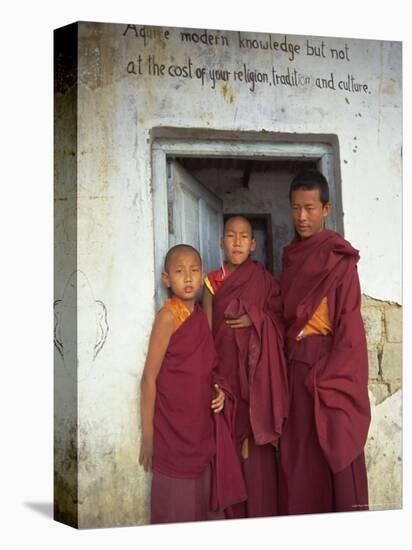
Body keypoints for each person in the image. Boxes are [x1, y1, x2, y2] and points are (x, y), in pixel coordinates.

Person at [278, 169, 371, 515]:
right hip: (294, 367)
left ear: (327, 208)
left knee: (335, 443)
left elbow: (348, 325)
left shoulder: (340, 260)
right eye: (296, 208)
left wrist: (330, 375)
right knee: (299, 456)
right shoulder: (291, 258)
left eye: (310, 208)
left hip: (328, 367)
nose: (302, 217)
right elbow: (283, 312)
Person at [139, 244, 246, 524]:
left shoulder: (200, 316)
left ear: (202, 277)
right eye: (179, 271)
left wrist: (220, 390)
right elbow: (149, 376)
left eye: (194, 271)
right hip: (173, 430)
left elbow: (208, 367)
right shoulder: (167, 318)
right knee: (177, 506)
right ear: (166, 279)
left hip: (201, 426)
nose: (187, 278)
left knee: (202, 502)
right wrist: (148, 436)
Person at [203, 216, 289, 519]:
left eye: (243, 237)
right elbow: (208, 333)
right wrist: (213, 378)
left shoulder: (263, 280)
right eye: (230, 235)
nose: (237, 241)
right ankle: (234, 517)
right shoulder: (212, 282)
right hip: (226, 375)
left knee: (258, 447)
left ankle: (263, 514)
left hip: (257, 375)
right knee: (228, 440)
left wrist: (257, 318)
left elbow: (281, 318)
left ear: (253, 244)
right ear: (221, 242)